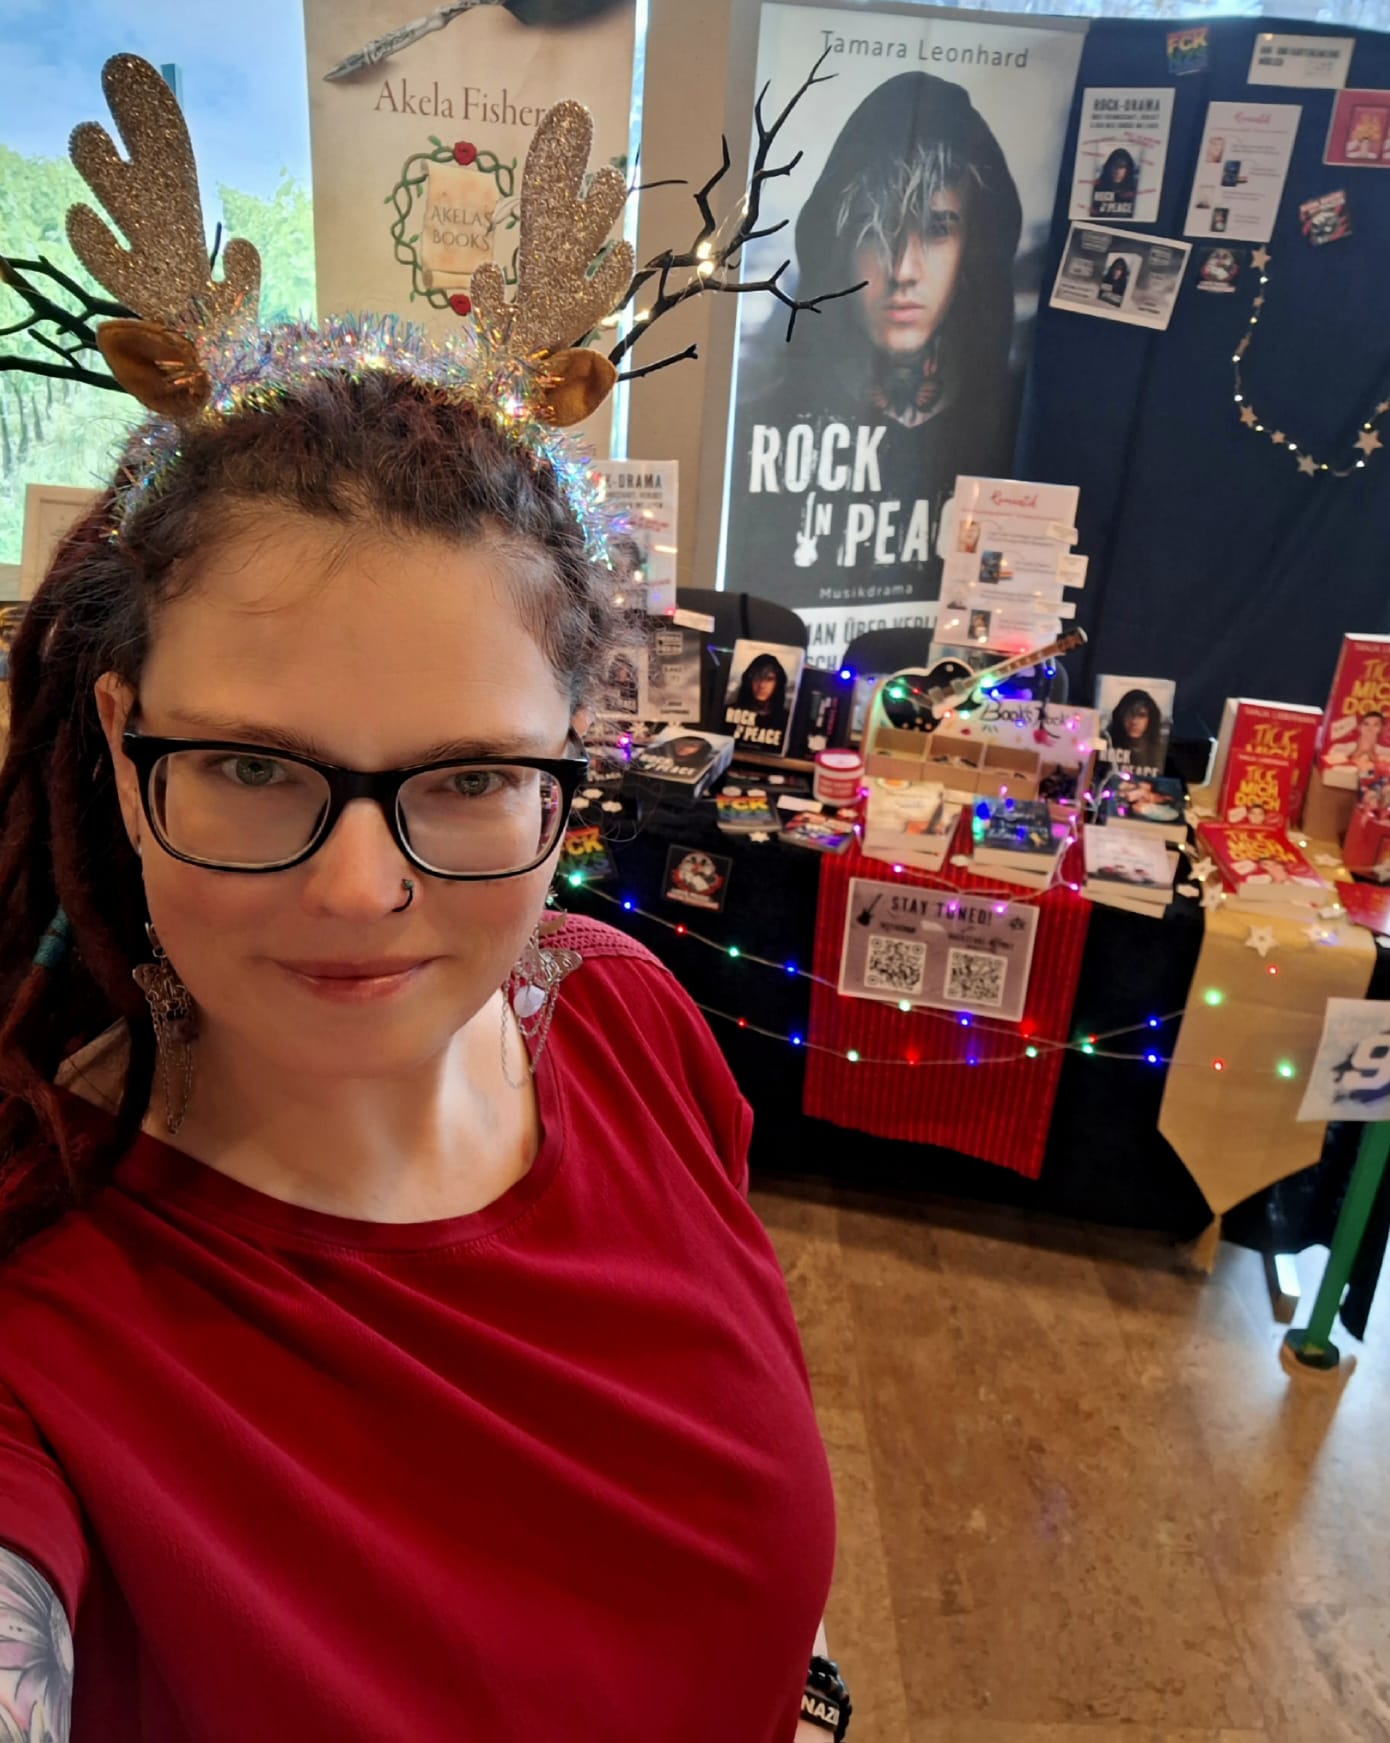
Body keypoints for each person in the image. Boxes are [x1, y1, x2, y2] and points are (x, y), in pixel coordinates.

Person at [0, 376, 838, 1740]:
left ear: (564, 766)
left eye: (468, 778)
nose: (357, 890)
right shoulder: (36, 1293)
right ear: (120, 738)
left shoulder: (623, 1017)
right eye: (252, 767)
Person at [729, 70, 1024, 604]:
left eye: (937, 229)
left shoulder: (1021, 434)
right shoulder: (750, 436)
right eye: (875, 230)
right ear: (837, 245)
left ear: (975, 247)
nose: (903, 269)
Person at [728, 652, 792, 742]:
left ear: (778, 683)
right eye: (757, 677)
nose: (762, 685)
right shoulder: (728, 712)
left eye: (769, 679)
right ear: (749, 680)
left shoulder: (788, 720)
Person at [1105, 687, 1166, 775]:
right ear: (1121, 716)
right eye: (1130, 713)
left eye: (1141, 715)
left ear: (1151, 719)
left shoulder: (1160, 751)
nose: (1134, 721)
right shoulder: (1106, 743)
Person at [1090, 146, 1138, 219]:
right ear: (1109, 167)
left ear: (1128, 169)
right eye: (1115, 165)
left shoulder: (1136, 189)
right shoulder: (1096, 186)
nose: (1117, 171)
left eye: (1122, 167)